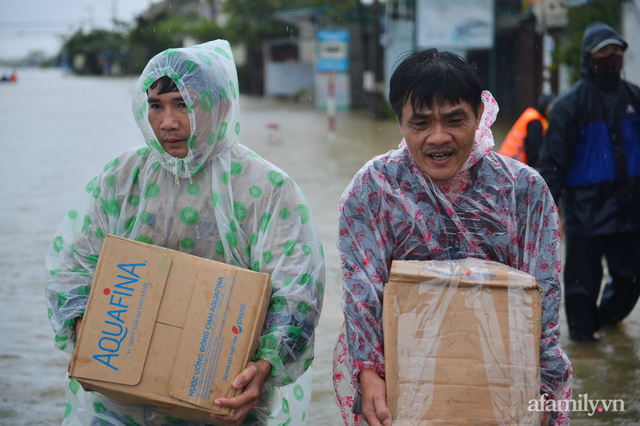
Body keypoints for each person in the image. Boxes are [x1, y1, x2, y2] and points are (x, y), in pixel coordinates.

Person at [45, 40, 325, 426]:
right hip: (117, 409)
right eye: (156, 106)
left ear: (220, 106)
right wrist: (88, 334)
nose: (168, 122)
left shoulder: (265, 186)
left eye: (183, 104)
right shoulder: (123, 176)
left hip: (224, 406)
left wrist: (263, 367)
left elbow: (298, 291)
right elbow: (73, 265)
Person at [332, 48, 572, 426]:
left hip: (503, 384)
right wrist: (368, 373)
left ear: (479, 115)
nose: (438, 138)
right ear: (399, 122)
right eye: (421, 123)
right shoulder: (374, 189)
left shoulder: (523, 190)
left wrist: (542, 389)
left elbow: (543, 297)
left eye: (454, 120)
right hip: (403, 388)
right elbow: (362, 291)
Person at [539, 22, 640, 343]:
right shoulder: (569, 106)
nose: (610, 59)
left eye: (616, 53)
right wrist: (543, 213)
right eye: (603, 54)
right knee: (581, 285)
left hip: (629, 212)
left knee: (631, 280)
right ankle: (584, 341)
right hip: (585, 211)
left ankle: (607, 321)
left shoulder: (635, 99)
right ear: (588, 58)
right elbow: (552, 165)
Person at [498, 93, 555, 168]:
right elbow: (533, 150)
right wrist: (534, 168)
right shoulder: (535, 121)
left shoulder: (532, 116)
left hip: (506, 163)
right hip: (511, 165)